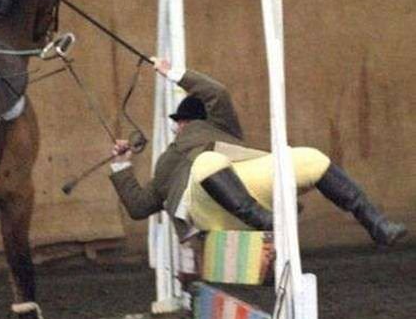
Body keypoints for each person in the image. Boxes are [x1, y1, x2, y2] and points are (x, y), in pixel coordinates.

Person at [108, 58, 407, 247]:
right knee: (208, 161)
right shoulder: (167, 163)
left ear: (187, 122)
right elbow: (139, 207)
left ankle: (376, 223)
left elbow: (216, 93)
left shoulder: (221, 127)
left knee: (310, 158)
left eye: (180, 123)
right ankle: (266, 224)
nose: (177, 129)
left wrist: (173, 72)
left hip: (245, 189)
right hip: (205, 210)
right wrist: (122, 165)